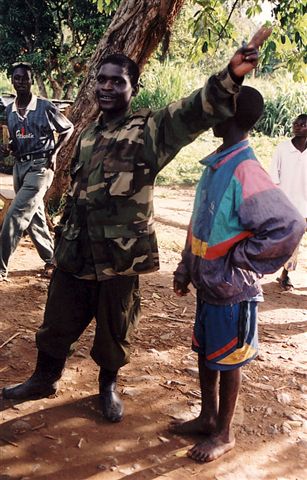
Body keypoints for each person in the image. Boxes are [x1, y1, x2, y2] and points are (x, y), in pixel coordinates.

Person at [2, 28, 272, 423]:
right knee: (56, 322)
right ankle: (44, 378)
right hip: (75, 251)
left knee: (115, 330)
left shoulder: (149, 129)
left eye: (118, 81)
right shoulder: (89, 132)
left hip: (119, 257)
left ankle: (106, 387)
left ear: (134, 87)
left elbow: (194, 110)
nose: (107, 87)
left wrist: (230, 75)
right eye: (102, 80)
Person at [170, 86, 305, 462]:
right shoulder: (218, 163)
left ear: (228, 115)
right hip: (208, 284)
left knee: (229, 361)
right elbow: (199, 221)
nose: (209, 113)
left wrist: (240, 257)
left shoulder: (245, 168)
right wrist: (186, 265)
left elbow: (289, 224)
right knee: (208, 354)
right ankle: (207, 416)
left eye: (216, 108)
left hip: (233, 291)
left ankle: (224, 433)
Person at [0, 62, 73, 281]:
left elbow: (68, 128)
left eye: (25, 78)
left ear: (31, 81)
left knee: (15, 215)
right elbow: (18, 138)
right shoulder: (10, 110)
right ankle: (52, 259)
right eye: (17, 78)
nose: (21, 82)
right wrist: (10, 147)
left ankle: (0, 268)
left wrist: (54, 154)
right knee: (35, 218)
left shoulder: (44, 106)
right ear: (12, 81)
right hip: (20, 167)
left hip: (41, 167)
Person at [270, 114, 307, 290]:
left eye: (303, 124)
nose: (298, 126)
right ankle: (285, 275)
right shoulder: (283, 149)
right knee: (292, 242)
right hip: (288, 206)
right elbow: (273, 178)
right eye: (295, 123)